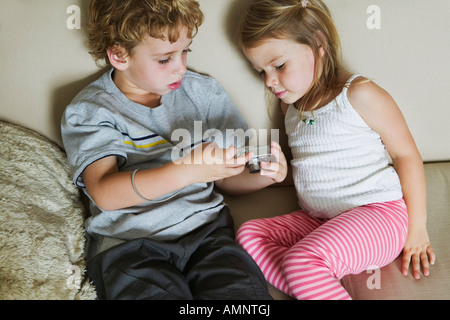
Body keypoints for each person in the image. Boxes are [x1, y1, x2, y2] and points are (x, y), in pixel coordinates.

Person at [61, 0, 287, 300]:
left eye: (185, 51)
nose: (181, 67)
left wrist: (266, 176)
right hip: (130, 247)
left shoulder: (203, 93)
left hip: (208, 236)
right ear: (119, 54)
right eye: (165, 59)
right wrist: (185, 171)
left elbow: (228, 179)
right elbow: (104, 192)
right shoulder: (91, 111)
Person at [235, 0, 436, 300]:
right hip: (319, 219)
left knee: (300, 261)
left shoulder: (358, 94)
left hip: (378, 215)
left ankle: (310, 275)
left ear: (318, 43)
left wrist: (418, 227)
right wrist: (276, 171)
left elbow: (406, 155)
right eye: (260, 71)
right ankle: (316, 285)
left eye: (278, 65)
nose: (269, 81)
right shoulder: (290, 108)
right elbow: (305, 168)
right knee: (248, 235)